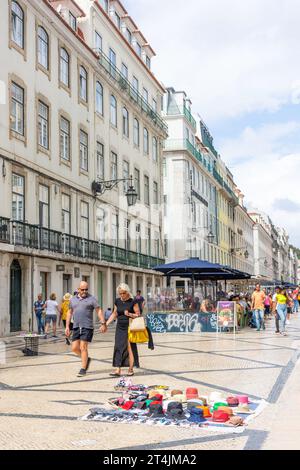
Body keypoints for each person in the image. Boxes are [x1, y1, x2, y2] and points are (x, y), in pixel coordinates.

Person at [66, 281, 106, 377]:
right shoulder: (73, 300)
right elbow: (69, 312)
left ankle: (83, 368)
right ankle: (86, 359)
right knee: (74, 348)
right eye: (82, 289)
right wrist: (67, 326)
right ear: (78, 289)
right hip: (76, 326)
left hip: (87, 326)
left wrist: (103, 323)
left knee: (83, 347)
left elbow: (99, 310)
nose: (84, 291)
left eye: (86, 289)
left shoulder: (92, 299)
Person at [105, 283, 141, 377]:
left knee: (130, 348)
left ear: (127, 292)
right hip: (120, 326)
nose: (121, 295)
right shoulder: (117, 301)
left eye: (123, 293)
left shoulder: (133, 302)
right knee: (118, 346)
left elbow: (138, 314)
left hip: (130, 327)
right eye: (120, 293)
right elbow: (114, 313)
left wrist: (129, 314)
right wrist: (106, 324)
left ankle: (130, 368)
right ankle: (117, 369)